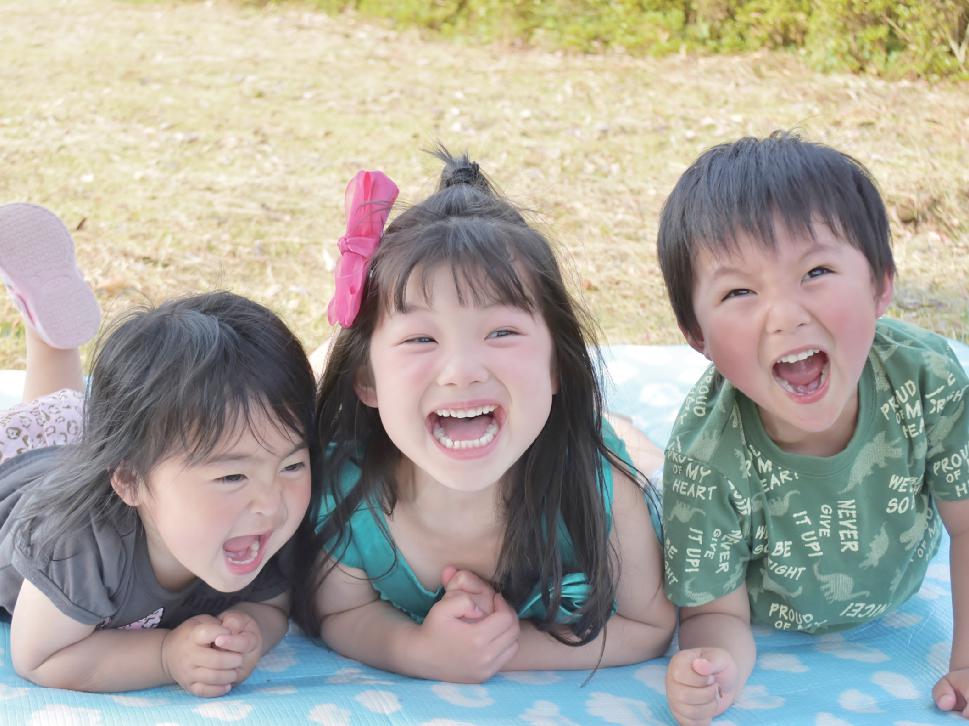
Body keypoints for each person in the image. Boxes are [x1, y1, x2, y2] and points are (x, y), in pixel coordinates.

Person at [292, 151, 675, 683]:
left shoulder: (602, 487)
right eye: (421, 338)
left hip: (566, 435)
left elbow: (649, 623)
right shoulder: (349, 500)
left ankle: (617, 421)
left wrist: (503, 649)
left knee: (639, 450)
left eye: (502, 333)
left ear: (558, 366)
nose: (461, 371)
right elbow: (342, 612)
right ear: (368, 381)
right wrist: (418, 651)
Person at [656, 132, 969, 724]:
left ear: (881, 283)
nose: (786, 314)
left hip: (900, 589)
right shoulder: (705, 458)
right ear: (696, 335)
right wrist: (714, 668)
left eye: (817, 270)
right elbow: (715, 614)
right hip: (772, 617)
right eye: (739, 291)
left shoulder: (926, 379)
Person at [0, 203, 317, 696]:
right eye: (232, 476)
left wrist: (250, 631)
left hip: (83, 444)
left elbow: (271, 605)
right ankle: (52, 339)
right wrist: (166, 656)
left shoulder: (262, 524)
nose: (271, 502)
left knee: (71, 420)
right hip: (13, 472)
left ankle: (52, 337)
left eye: (294, 463)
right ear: (127, 482)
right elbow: (40, 656)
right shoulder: (79, 546)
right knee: (54, 424)